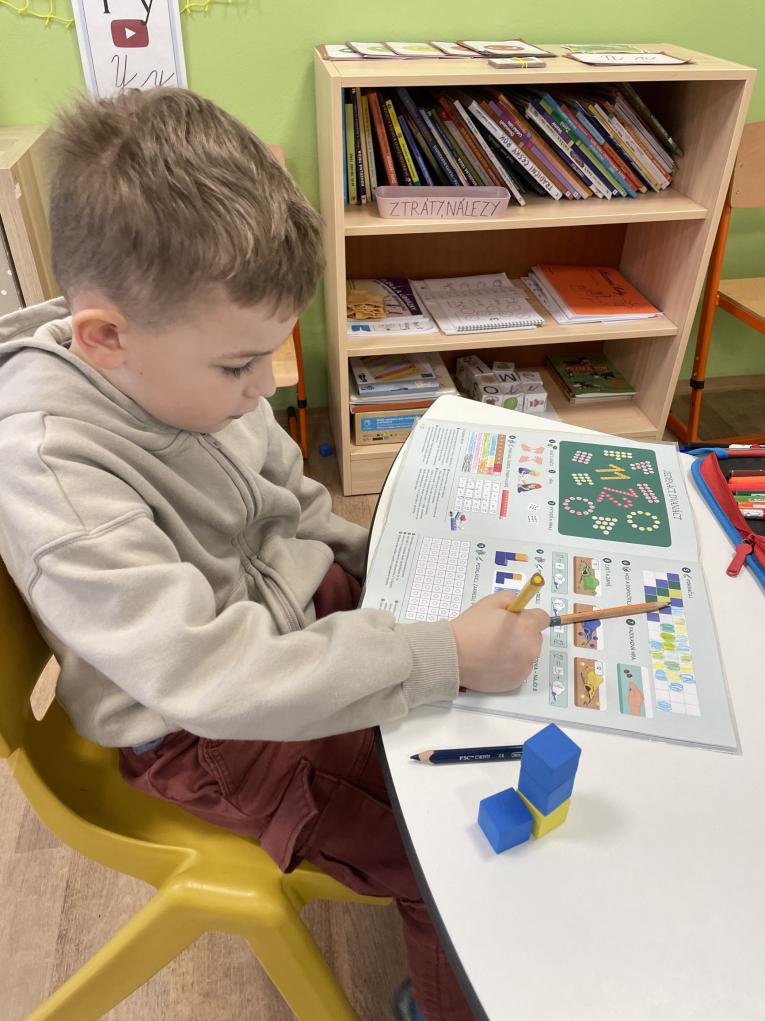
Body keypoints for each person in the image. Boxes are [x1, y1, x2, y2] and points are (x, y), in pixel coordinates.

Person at [0, 88, 547, 1021]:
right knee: (461, 853)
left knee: (496, 722)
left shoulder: (179, 363)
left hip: (288, 629)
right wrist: (436, 652)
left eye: (270, 353)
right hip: (208, 733)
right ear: (104, 338)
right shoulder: (53, 467)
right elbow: (207, 675)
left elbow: (292, 503)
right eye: (236, 365)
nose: (263, 388)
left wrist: (386, 563)